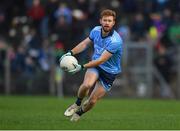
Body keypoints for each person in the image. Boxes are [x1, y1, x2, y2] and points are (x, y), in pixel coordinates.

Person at [60, 9, 123, 122]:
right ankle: (76, 104)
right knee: (87, 85)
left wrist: (81, 67)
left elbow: (101, 60)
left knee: (92, 101)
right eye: (105, 20)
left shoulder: (115, 41)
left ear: (113, 23)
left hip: (110, 72)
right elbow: (85, 44)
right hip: (96, 65)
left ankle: (79, 113)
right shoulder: (95, 30)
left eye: (109, 21)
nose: (107, 23)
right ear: (100, 21)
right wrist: (70, 53)